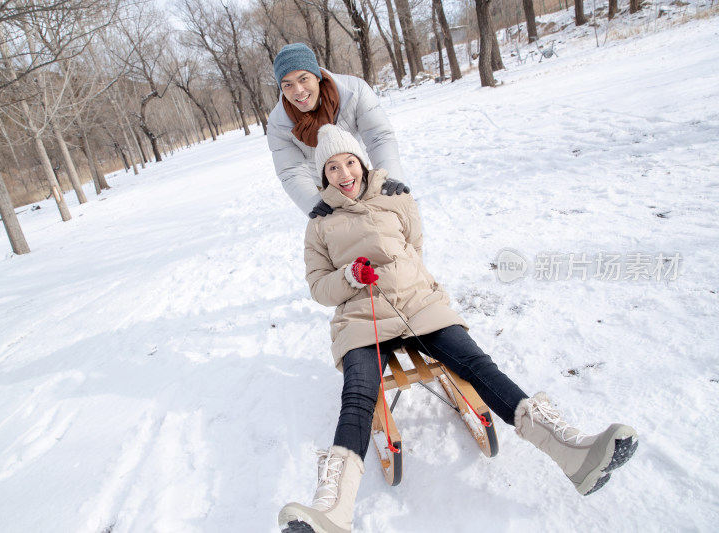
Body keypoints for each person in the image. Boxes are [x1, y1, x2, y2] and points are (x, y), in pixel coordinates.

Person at [277, 125, 639, 533]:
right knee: (359, 393)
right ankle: (333, 510)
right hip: (362, 317)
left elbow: (415, 249)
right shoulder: (320, 223)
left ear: (361, 162)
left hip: (417, 304)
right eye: (332, 167)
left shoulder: (396, 196)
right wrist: (350, 276)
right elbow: (319, 287)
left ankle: (572, 452)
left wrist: (403, 280)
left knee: (477, 364)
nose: (344, 174)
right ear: (323, 175)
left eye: (349, 162)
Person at [268, 43, 409, 219]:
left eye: (303, 79)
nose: (298, 91)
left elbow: (378, 137)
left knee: (383, 222)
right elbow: (290, 170)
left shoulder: (355, 91)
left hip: (357, 173)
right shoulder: (278, 123)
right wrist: (315, 203)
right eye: (287, 85)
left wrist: (390, 177)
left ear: (317, 76)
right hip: (322, 188)